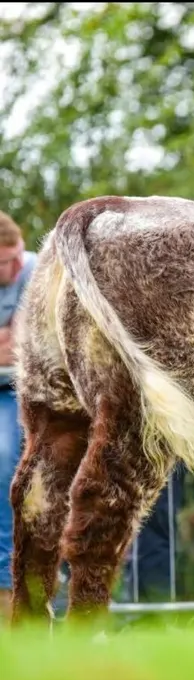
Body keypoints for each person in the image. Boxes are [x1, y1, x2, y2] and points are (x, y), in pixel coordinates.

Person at [0, 212, 37, 622]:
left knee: (6, 462)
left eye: (16, 257)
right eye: (2, 263)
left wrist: (15, 342)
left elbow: (24, 347)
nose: (13, 268)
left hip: (25, 394)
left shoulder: (37, 269)